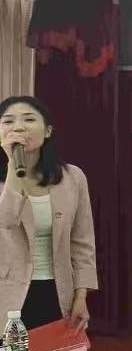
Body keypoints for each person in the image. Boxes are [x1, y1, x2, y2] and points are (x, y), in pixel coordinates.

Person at [0, 96, 95, 333]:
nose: (18, 127)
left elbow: (82, 241)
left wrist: (81, 296)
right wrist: (13, 163)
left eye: (29, 119)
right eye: (8, 121)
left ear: (48, 131)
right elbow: (6, 221)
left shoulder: (72, 177)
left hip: (57, 291)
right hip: (7, 293)